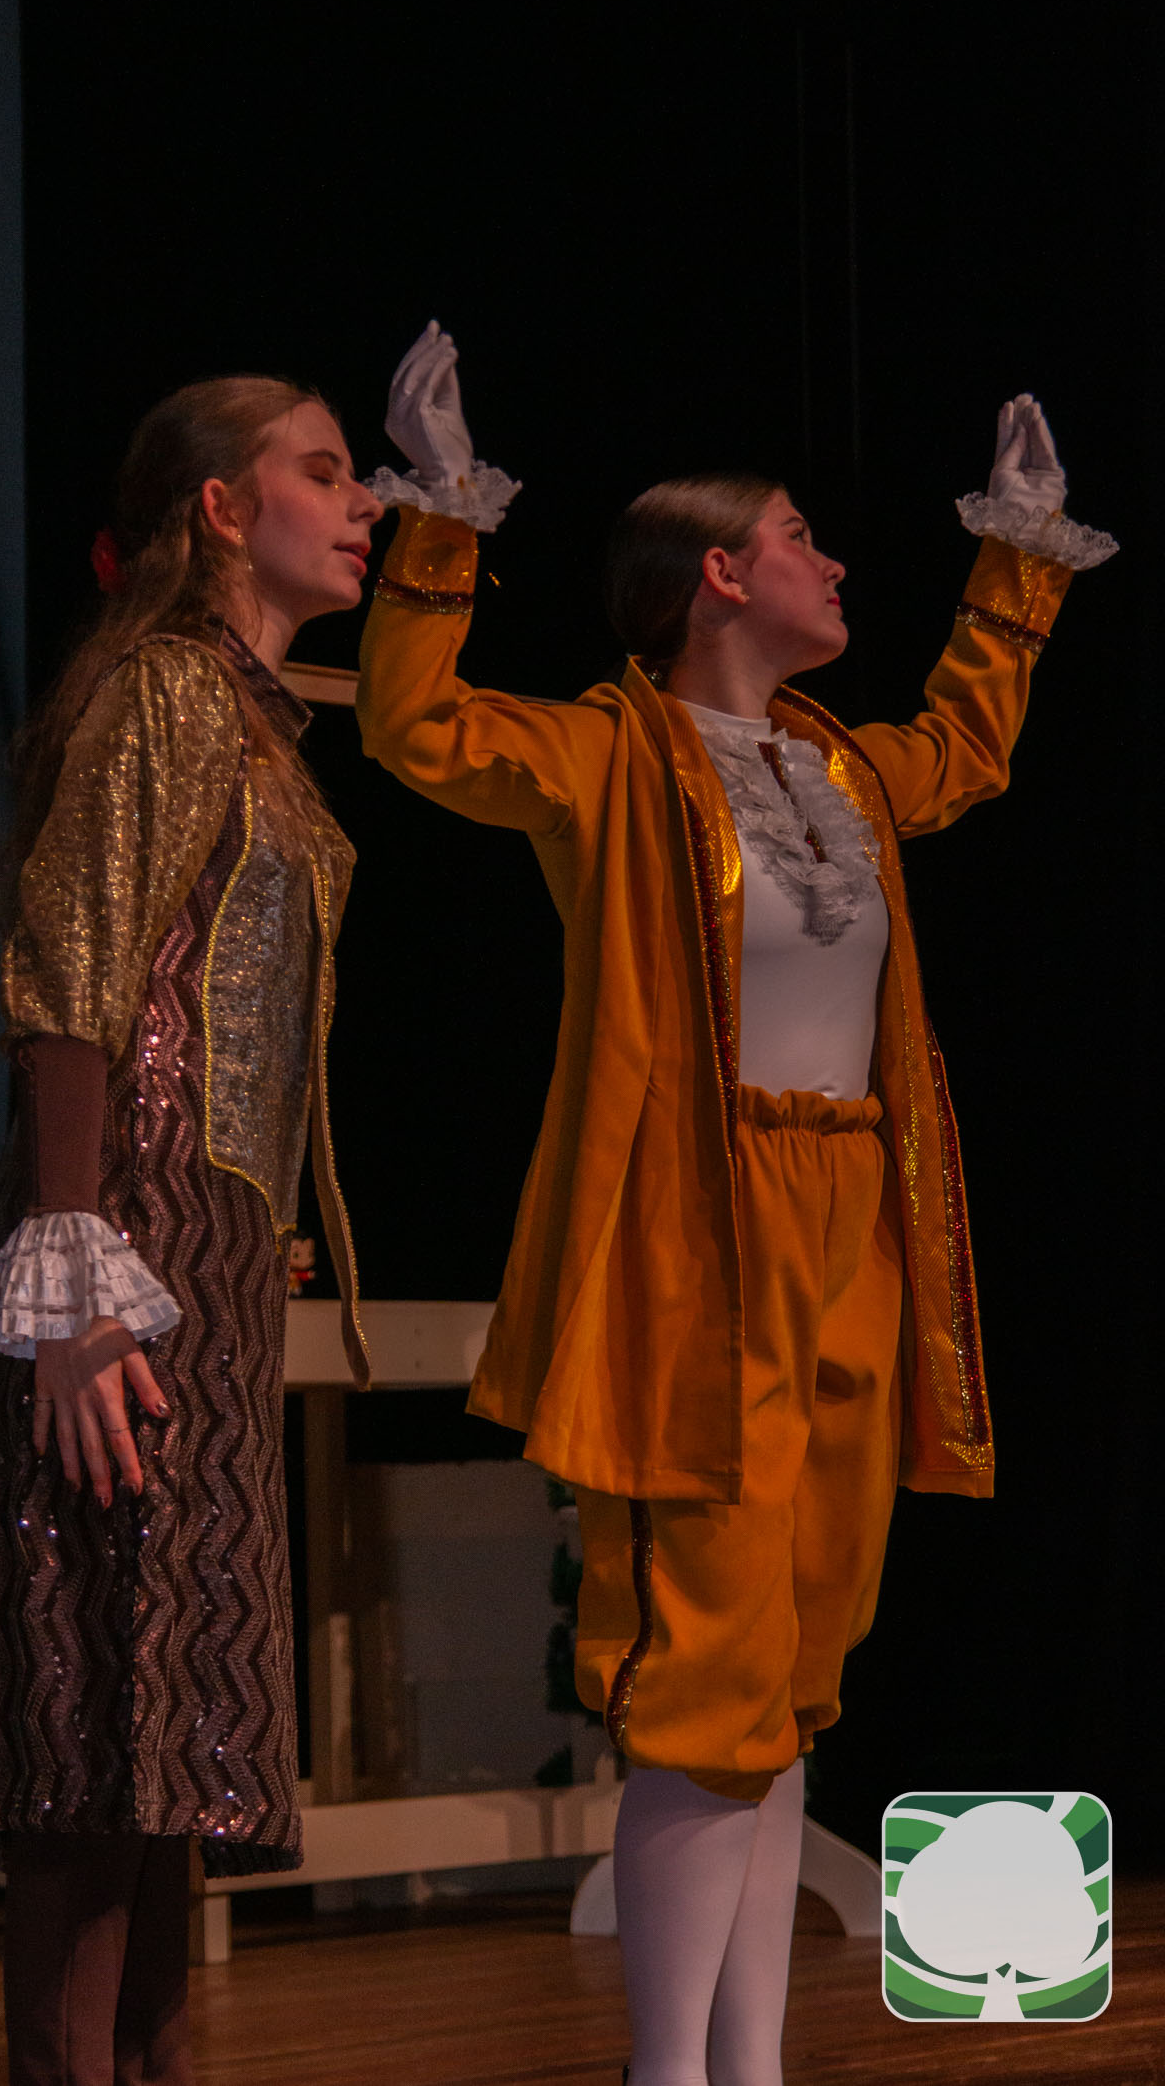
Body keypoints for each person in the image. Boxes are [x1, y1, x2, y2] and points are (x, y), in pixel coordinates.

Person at [356, 325, 1114, 2086]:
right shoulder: (611, 754)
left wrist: (1018, 561)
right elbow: (415, 726)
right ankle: (666, 2070)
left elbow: (966, 750)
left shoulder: (842, 769)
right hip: (704, 1238)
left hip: (852, 1221)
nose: (832, 564)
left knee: (787, 1668)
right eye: (798, 538)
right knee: (705, 1669)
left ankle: (748, 2068)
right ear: (716, 572)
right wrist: (443, 516)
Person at [0, 376, 383, 2086]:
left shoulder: (252, 715)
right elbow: (74, 965)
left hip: (208, 1245)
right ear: (220, 508)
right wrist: (75, 1264)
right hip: (128, 1229)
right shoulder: (169, 686)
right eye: (323, 471)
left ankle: (154, 2066)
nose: (363, 502)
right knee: (97, 1698)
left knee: (161, 1715)